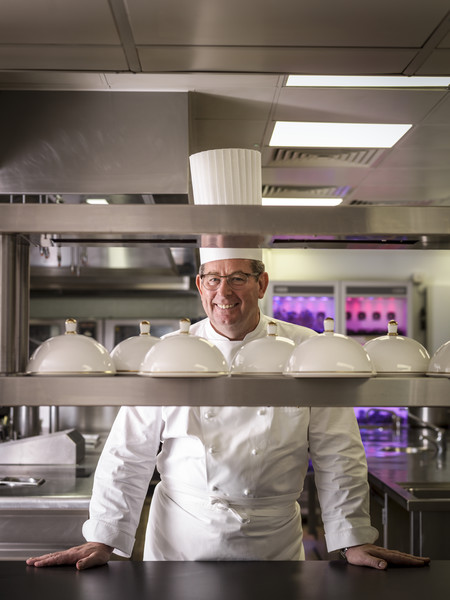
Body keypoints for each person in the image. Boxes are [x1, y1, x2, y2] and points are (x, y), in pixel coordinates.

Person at [26, 149, 430, 570]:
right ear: (200, 285)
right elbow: (129, 453)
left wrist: (352, 539)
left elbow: (338, 452)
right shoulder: (166, 356)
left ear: (262, 284)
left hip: (271, 542)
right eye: (215, 279)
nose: (225, 293)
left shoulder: (308, 351)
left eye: (238, 278)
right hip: (181, 540)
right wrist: (104, 539)